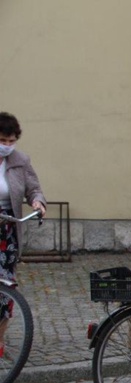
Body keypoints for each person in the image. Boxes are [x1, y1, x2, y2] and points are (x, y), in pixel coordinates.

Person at [0, 112, 46, 357]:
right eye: (3, 141)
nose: (7, 146)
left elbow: (34, 189)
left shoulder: (20, 160)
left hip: (6, 230)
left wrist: (38, 203)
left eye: (11, 141)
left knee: (6, 287)